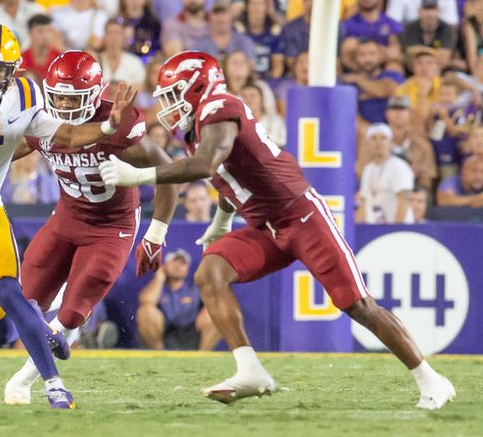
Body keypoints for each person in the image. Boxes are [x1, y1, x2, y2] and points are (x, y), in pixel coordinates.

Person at [98, 50, 455, 410]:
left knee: (358, 305)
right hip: (265, 227)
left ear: (198, 87)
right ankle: (250, 370)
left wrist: (140, 175)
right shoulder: (200, 126)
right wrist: (221, 222)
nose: (169, 104)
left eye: (175, 93)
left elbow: (206, 165)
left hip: (300, 216)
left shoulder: (219, 106)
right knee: (210, 272)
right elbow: (227, 178)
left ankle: (431, 379)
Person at [0, 24, 139, 409]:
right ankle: (38, 323)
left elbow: (62, 135)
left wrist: (108, 127)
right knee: (0, 330)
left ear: (13, 70)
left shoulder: (26, 94)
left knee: (8, 289)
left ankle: (54, 384)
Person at [2, 50, 178, 403]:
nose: (65, 104)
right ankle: (50, 346)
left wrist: (156, 233)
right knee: (24, 300)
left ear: (95, 95)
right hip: (67, 215)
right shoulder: (43, 122)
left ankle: (22, 381)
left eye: (73, 97)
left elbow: (168, 173)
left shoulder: (120, 127)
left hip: (112, 227)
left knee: (70, 314)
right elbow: (3, 154)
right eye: (60, 95)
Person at [137, 249, 220, 351]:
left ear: (187, 270)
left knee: (217, 312)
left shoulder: (195, 288)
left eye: (182, 263)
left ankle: (202, 358)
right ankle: (158, 356)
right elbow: (146, 301)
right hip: (164, 333)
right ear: (164, 266)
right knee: (146, 310)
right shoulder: (158, 287)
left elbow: (217, 303)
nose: (178, 266)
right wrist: (159, 278)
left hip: (191, 333)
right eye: (174, 261)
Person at [356, 124, 415, 224]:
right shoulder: (368, 169)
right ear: (368, 143)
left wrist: (395, 230)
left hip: (396, 230)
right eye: (373, 138)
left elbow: (403, 201)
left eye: (383, 138)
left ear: (391, 142)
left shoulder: (399, 166)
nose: (378, 142)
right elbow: (365, 202)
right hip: (374, 227)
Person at [341, 39, 403, 125]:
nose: (368, 59)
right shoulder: (347, 82)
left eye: (372, 53)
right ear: (355, 58)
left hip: (390, 129)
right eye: (362, 54)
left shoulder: (393, 75)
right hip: (362, 131)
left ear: (380, 56)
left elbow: (385, 90)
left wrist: (358, 80)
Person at [400, 0, 457, 68]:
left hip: (439, 71)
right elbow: (410, 55)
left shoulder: (447, 29)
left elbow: (443, 59)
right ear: (419, 12)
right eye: (426, 9)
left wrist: (421, 50)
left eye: (433, 9)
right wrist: (434, 53)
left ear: (438, 11)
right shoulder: (410, 27)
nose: (430, 14)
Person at [99, 18, 146, 91]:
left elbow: (140, 88)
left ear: (123, 36)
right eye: (110, 33)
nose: (114, 37)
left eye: (117, 33)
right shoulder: (96, 61)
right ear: (104, 36)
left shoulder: (135, 62)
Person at [20, 14, 62, 82]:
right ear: (29, 33)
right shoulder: (20, 60)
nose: (46, 36)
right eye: (40, 31)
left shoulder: (60, 59)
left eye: (49, 31)